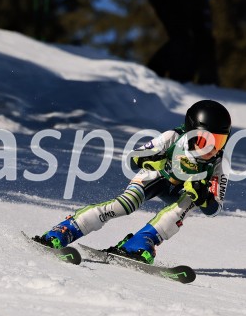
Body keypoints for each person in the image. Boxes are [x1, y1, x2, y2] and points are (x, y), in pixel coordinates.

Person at [36, 100, 232, 265]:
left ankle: (141, 242)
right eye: (205, 141)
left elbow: (214, 209)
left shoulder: (220, 163)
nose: (212, 149)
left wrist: (204, 197)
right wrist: (153, 159)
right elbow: (133, 158)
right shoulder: (173, 137)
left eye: (219, 142)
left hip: (181, 192)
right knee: (125, 204)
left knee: (186, 205)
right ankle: (67, 229)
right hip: (155, 176)